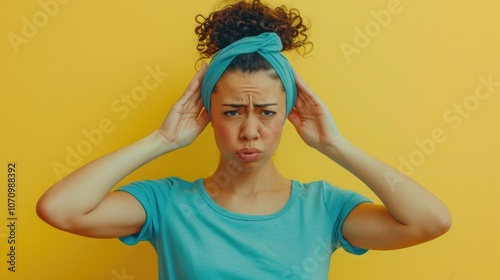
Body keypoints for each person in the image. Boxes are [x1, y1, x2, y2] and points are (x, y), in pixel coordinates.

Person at [36, 0, 451, 279]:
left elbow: (430, 221)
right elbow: (59, 209)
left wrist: (333, 144)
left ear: (289, 114)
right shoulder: (166, 204)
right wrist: (162, 139)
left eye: (267, 112)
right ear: (207, 116)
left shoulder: (325, 208)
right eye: (232, 112)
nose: (250, 130)